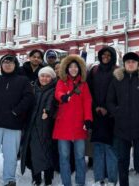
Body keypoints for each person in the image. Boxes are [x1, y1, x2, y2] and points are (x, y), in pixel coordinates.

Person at [0, 54, 34, 186]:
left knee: (11, 156)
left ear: (15, 65)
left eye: (11, 62)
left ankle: (9, 179)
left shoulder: (23, 81)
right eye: (5, 62)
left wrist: (16, 111)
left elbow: (28, 98)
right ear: (1, 65)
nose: (8, 65)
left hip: (13, 125)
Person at [107, 52, 139, 186]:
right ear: (124, 64)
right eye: (128, 62)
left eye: (133, 62)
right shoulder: (117, 80)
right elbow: (110, 101)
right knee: (122, 160)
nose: (130, 64)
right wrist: (117, 112)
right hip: (121, 129)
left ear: (137, 64)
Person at [53, 55, 93, 186]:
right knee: (64, 157)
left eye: (76, 67)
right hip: (63, 125)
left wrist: (88, 119)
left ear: (80, 69)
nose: (73, 69)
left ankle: (80, 182)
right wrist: (63, 97)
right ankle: (66, 183)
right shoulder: (61, 82)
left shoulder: (83, 84)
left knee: (80, 157)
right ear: (66, 69)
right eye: (71, 67)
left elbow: (87, 102)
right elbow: (58, 93)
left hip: (78, 125)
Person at [20, 66, 58, 186]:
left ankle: (47, 179)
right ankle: (36, 178)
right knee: (32, 152)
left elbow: (52, 103)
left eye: (48, 76)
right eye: (42, 75)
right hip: (31, 126)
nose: (44, 78)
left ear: (52, 78)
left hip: (46, 126)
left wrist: (47, 111)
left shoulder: (54, 90)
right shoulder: (32, 89)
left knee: (46, 151)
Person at [87, 46, 118, 186]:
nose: (105, 57)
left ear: (113, 57)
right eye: (103, 55)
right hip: (97, 114)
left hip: (111, 117)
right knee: (98, 147)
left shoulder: (117, 71)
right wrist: (95, 107)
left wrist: (108, 109)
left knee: (111, 148)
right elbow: (89, 91)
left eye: (108, 55)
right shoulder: (94, 71)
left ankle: (111, 178)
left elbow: (119, 94)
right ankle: (99, 177)